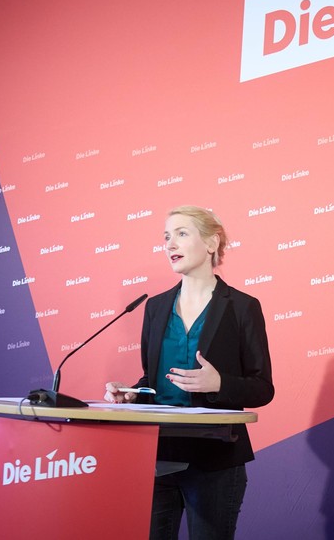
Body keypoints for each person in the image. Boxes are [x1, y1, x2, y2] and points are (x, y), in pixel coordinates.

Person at [105, 205, 274, 540]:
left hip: (215, 462)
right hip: (158, 458)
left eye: (181, 234)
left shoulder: (242, 307)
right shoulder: (154, 307)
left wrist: (219, 384)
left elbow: (262, 388)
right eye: (166, 237)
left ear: (212, 243)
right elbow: (152, 382)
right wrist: (133, 394)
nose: (170, 244)